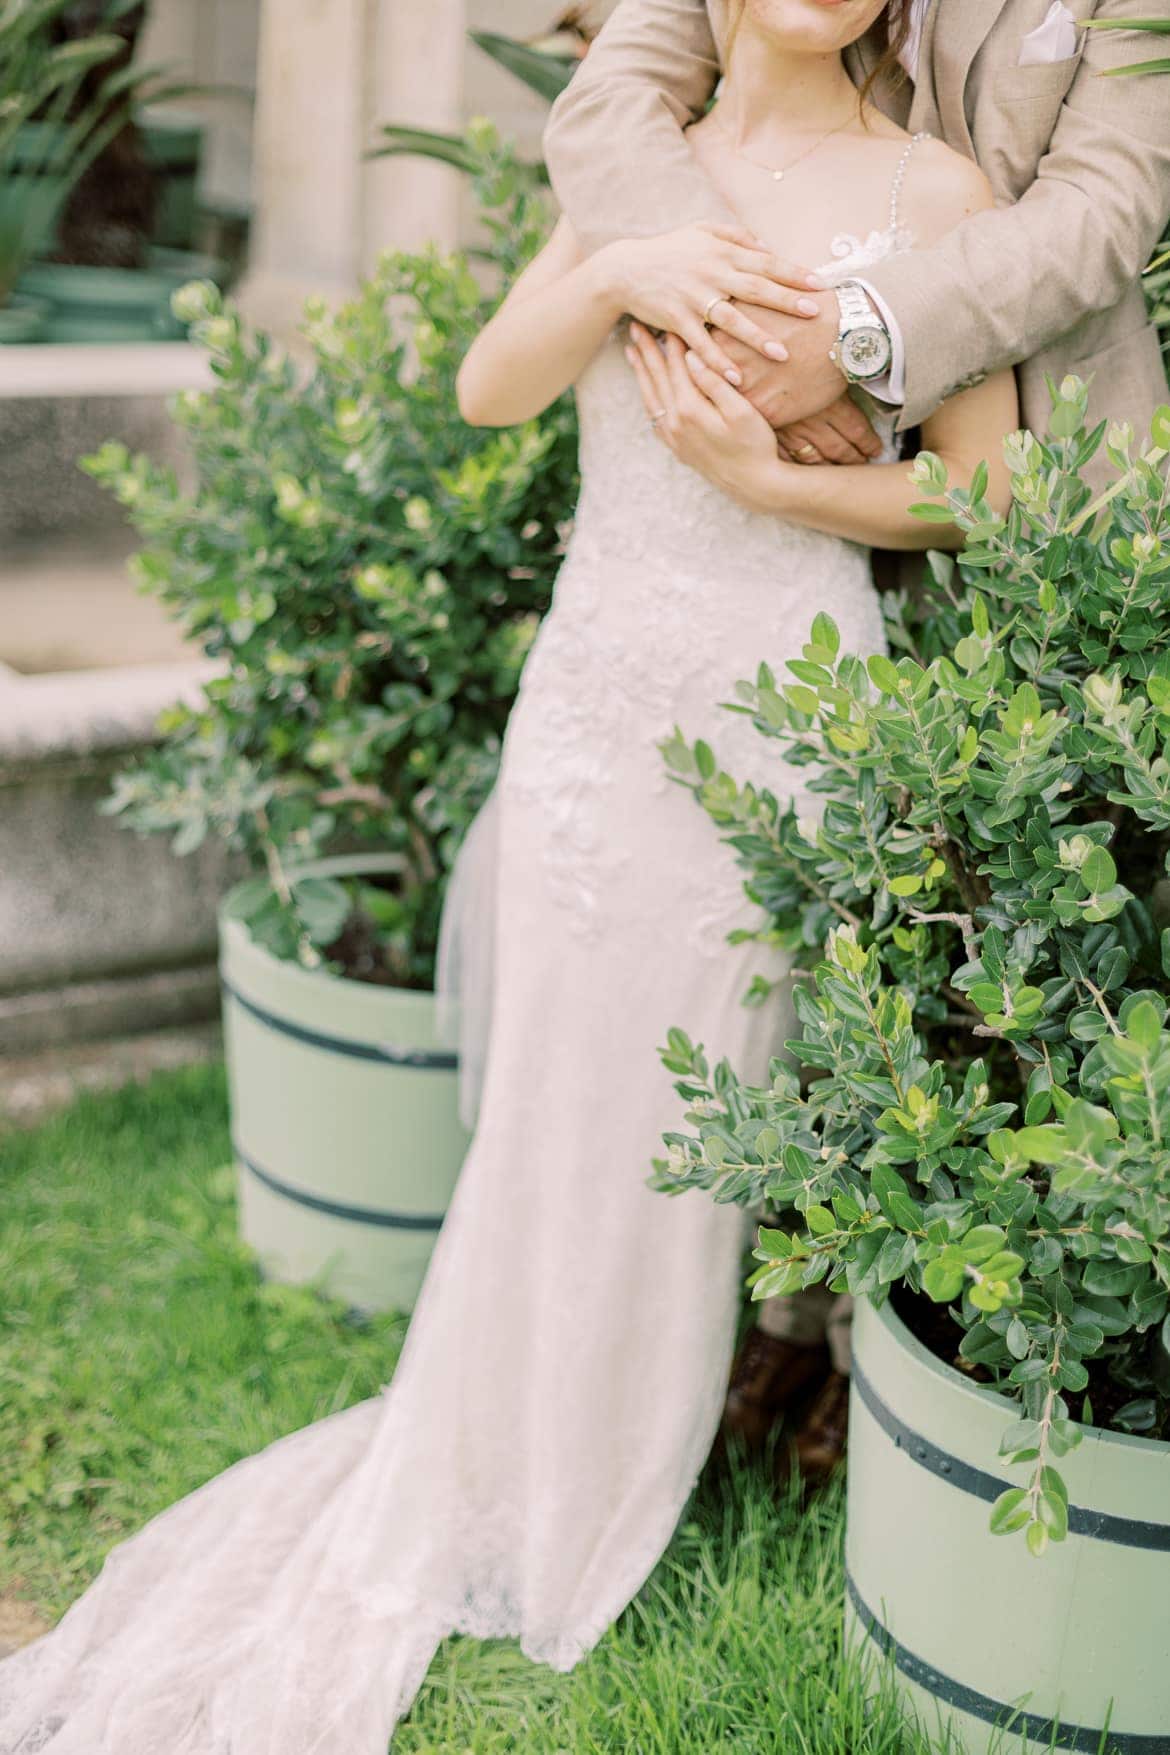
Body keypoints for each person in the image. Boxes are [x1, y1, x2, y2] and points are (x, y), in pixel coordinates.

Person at [0, 5, 1018, 1749]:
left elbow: (984, 496)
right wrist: (630, 267)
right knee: (564, 1088)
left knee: (701, 1101)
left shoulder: (936, 186)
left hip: (784, 703)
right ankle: (509, 1430)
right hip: (596, 699)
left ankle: (648, 1439)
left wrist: (763, 472)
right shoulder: (633, 156)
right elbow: (491, 384)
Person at [544, 0, 1170, 1474]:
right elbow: (613, 96)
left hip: (1049, 523)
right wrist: (748, 324)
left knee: (998, 953)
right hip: (799, 517)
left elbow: (1100, 210)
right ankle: (769, 1319)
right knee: (796, 936)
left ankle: (905, 1353)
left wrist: (855, 341)